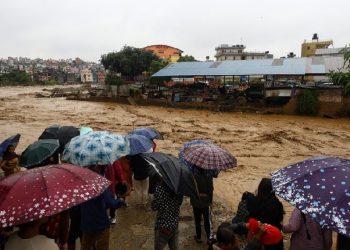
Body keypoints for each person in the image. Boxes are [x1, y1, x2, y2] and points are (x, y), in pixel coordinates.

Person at [80, 165, 125, 250]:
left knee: (85, 246)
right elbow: (110, 203)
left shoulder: (82, 180)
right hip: (100, 222)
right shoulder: (99, 181)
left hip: (86, 223)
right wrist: (120, 201)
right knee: (102, 246)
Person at [151, 181, 183, 250]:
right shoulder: (178, 190)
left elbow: (154, 207)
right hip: (174, 224)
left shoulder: (160, 189)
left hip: (163, 226)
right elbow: (180, 203)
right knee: (174, 247)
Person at [190, 166, 214, 244]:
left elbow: (191, 190)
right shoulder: (209, 177)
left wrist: (193, 199)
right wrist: (210, 201)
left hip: (196, 202)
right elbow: (211, 190)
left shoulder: (193, 177)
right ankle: (209, 238)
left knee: (197, 220)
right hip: (206, 202)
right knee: (207, 220)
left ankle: (199, 237)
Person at [105, 159, 126, 224]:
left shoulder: (91, 157)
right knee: (112, 199)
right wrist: (121, 180)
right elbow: (118, 170)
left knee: (101, 201)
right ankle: (112, 216)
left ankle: (107, 217)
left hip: (99, 184)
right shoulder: (112, 156)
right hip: (110, 184)